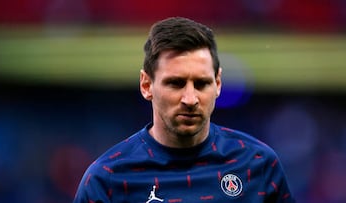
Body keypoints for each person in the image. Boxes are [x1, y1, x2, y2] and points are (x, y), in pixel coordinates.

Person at [73, 17, 295, 203]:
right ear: (146, 85)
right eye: (176, 83)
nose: (190, 99)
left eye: (201, 84)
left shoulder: (258, 163)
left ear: (218, 84)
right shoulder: (107, 179)